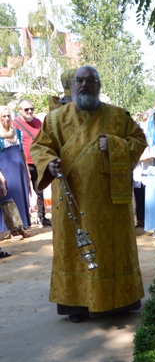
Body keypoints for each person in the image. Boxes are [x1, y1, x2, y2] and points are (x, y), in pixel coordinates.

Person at [31, 65, 147, 323]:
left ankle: (118, 302)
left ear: (99, 86)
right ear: (73, 87)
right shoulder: (56, 119)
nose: (84, 85)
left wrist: (117, 145)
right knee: (74, 250)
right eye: (79, 81)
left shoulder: (118, 117)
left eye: (91, 81)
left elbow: (139, 140)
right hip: (71, 200)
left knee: (110, 251)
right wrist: (49, 163)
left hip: (109, 203)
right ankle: (76, 305)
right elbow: (40, 147)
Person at [14, 99, 52, 227]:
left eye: (32, 109)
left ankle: (42, 218)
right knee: (23, 192)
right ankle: (23, 221)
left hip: (36, 162)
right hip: (21, 164)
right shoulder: (15, 124)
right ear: (19, 110)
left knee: (39, 189)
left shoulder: (37, 123)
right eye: (26, 109)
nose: (30, 111)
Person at [0, 106, 31, 239]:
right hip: (6, 171)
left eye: (8, 116)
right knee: (8, 200)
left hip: (19, 170)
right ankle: (12, 230)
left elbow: (22, 153)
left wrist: (27, 171)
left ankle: (21, 228)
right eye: (3, 116)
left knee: (21, 198)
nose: (6, 118)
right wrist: (0, 176)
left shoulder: (17, 132)